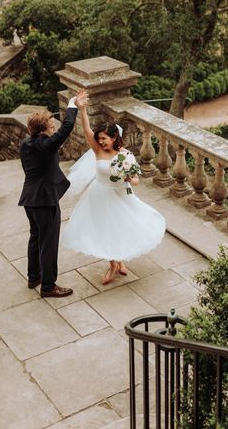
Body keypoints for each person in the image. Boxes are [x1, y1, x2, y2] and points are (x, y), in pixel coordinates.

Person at [61, 94, 166, 285]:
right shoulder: (97, 150)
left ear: (114, 137)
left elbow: (135, 180)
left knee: (121, 227)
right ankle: (113, 265)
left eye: (104, 139)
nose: (101, 142)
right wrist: (82, 109)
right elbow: (86, 129)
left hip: (120, 195)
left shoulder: (126, 156)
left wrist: (127, 177)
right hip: (99, 194)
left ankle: (120, 260)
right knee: (104, 229)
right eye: (99, 139)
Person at [18, 91, 87, 297]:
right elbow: (66, 128)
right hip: (44, 201)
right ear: (43, 130)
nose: (53, 125)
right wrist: (72, 103)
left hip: (30, 200)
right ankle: (48, 286)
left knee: (35, 238)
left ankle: (34, 277)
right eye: (50, 124)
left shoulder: (26, 143)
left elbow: (59, 132)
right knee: (48, 243)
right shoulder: (45, 145)